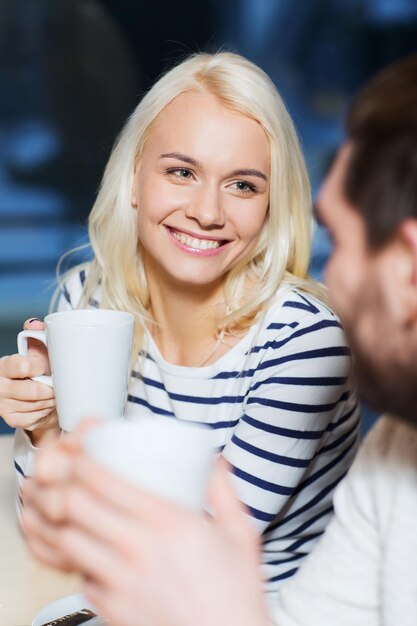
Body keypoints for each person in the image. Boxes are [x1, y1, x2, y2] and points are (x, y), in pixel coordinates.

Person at [20, 53, 417, 626]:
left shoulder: (307, 345)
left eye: (242, 185)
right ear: (132, 178)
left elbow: (170, 560)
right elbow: (58, 524)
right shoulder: (87, 301)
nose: (207, 211)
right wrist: (41, 430)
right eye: (181, 171)